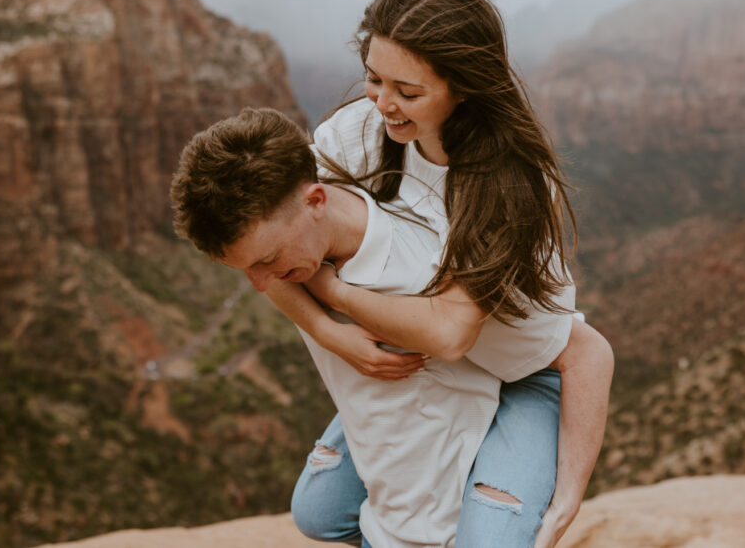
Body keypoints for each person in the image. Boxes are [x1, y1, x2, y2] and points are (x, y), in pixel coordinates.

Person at [265, 0, 613, 548]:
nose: (382, 103)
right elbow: (269, 236)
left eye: (408, 90)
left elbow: (457, 335)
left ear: (465, 88)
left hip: (523, 373)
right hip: (431, 361)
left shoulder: (511, 183)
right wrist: (334, 337)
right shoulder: (360, 131)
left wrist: (568, 494)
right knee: (319, 513)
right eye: (374, 79)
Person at [171, 108, 508, 546]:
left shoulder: (416, 274)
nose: (259, 284)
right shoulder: (290, 205)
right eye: (245, 268)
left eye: (266, 261)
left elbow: (453, 343)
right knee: (316, 513)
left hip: (443, 447)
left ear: (316, 201)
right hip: (396, 423)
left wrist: (333, 294)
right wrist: (330, 333)